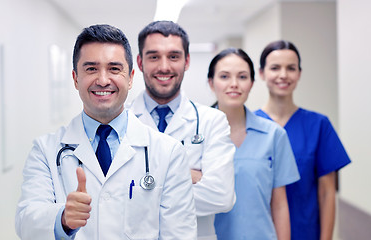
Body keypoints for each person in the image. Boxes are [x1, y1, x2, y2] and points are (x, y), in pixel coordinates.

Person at [15, 24, 197, 240]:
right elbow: (26, 223)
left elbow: (180, 235)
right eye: (91, 69)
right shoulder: (45, 150)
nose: (103, 80)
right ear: (75, 78)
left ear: (130, 78)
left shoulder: (168, 152)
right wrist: (62, 219)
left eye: (114, 69)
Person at [128, 21, 235, 240]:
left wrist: (142, 188)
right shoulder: (120, 121)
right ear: (140, 62)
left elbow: (221, 196)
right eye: (154, 56)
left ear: (186, 61)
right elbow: (111, 197)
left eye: (174, 56)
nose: (164, 66)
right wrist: (184, 177)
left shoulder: (212, 121)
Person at [255, 40, 351, 240]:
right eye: (275, 68)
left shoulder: (318, 125)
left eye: (291, 68)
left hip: (305, 233)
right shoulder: (249, 126)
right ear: (262, 73)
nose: (283, 75)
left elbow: (327, 193)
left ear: (299, 74)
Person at [207, 48, 300, 239]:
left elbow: (280, 204)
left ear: (251, 83)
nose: (234, 84)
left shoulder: (274, 135)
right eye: (224, 76)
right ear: (211, 83)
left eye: (242, 77)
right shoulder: (195, 134)